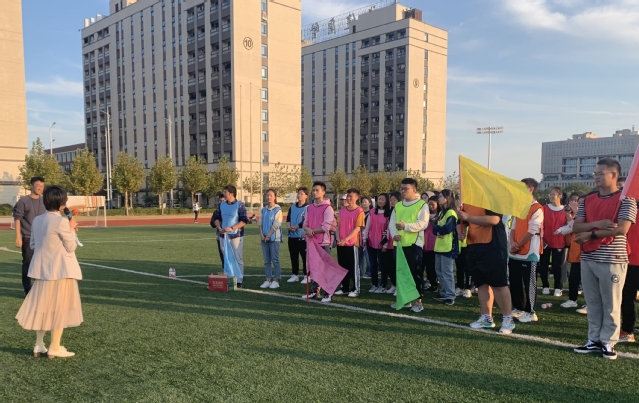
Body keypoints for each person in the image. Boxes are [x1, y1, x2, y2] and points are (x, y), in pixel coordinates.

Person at [572, 159, 636, 360]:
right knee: (592, 302)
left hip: (612, 257)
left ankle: (608, 340)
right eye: (595, 173)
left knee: (611, 302)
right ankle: (593, 339)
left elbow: (621, 229)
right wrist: (599, 224)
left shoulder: (627, 200)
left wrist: (590, 234)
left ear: (614, 175)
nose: (596, 177)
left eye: (600, 173)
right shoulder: (588, 199)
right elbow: (576, 226)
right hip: (588, 256)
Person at [15, 185, 83, 359]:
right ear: (61, 203)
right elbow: (71, 246)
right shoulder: (61, 222)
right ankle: (54, 347)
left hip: (42, 271)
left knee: (43, 309)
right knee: (60, 309)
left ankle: (39, 344)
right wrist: (71, 228)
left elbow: (33, 244)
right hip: (61, 271)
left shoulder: (37, 220)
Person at [459, 203, 515, 334]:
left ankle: (508, 319)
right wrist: (461, 231)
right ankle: (486, 317)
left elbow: (494, 219)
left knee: (499, 284)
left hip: (493, 245)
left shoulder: (490, 198)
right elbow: (462, 221)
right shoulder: (466, 200)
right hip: (474, 245)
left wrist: (468, 217)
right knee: (481, 284)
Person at [388, 178, 429, 312]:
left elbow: (423, 224)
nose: (403, 191)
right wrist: (394, 234)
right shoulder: (398, 205)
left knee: (414, 273)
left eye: (406, 188)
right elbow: (392, 223)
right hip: (399, 244)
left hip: (414, 245)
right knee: (401, 273)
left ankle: (418, 302)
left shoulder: (422, 204)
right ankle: (405, 300)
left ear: (414, 190)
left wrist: (405, 226)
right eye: (401, 188)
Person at [508, 178, 544, 323]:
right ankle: (518, 307)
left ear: (530, 189)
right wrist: (512, 243)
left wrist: (517, 244)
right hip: (515, 251)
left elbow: (532, 231)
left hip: (530, 252)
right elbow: (513, 228)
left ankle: (531, 312)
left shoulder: (537, 208)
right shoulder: (520, 207)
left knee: (530, 283)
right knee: (515, 281)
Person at [302, 182, 336, 303]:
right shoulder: (309, 208)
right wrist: (307, 230)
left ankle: (328, 293)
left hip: (323, 243)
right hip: (311, 242)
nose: (314, 192)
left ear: (323, 192)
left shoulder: (328, 208)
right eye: (313, 190)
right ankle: (314, 290)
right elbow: (305, 224)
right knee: (313, 267)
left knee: (324, 268)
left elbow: (326, 227)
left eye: (317, 190)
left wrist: (311, 231)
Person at [13, 176, 45, 296]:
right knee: (28, 264)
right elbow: (17, 219)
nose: (40, 188)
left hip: (43, 239)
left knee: (42, 265)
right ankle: (28, 290)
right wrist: (18, 237)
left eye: (42, 186)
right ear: (31, 186)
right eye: (37, 186)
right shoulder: (23, 201)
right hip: (27, 237)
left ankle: (40, 290)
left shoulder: (45, 201)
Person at [213, 185, 249, 288]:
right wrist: (219, 227)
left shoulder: (240, 205)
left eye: (225, 192)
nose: (224, 193)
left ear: (231, 194)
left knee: (237, 257)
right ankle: (229, 277)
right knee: (226, 257)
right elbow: (216, 218)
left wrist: (232, 228)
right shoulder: (221, 204)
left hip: (236, 235)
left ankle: (239, 280)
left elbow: (244, 220)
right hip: (223, 235)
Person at [556, 192, 586, 310]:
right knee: (573, 277)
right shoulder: (576, 214)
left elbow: (582, 226)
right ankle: (572, 299)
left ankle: (590, 304)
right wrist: (568, 214)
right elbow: (573, 226)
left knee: (588, 281)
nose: (577, 204)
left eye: (581, 202)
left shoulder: (589, 215)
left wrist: (575, 211)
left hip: (587, 252)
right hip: (576, 251)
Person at [335, 188, 365, 298]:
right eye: (347, 196)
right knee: (342, 267)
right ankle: (345, 288)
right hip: (341, 243)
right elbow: (338, 225)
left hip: (352, 244)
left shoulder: (359, 211)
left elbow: (357, 228)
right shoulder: (342, 210)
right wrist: (338, 238)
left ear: (357, 198)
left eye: (351, 196)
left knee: (353, 267)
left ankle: (356, 289)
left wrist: (346, 239)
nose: (348, 198)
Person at [432, 190, 459, 306]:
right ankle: (444, 291)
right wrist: (438, 230)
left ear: (447, 198)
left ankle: (450, 295)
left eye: (441, 196)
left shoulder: (451, 212)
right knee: (439, 270)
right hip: (439, 246)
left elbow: (448, 228)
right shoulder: (442, 212)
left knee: (447, 272)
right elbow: (434, 227)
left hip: (448, 246)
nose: (439, 199)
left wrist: (439, 230)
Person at [540, 187, 568, 296]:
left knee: (557, 265)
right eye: (550, 194)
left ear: (560, 196)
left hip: (559, 241)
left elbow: (569, 225)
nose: (551, 196)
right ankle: (545, 286)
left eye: (553, 194)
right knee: (543, 264)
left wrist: (561, 230)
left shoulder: (565, 209)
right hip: (545, 241)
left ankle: (558, 287)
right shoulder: (544, 208)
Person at [363, 193, 392, 293]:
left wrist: (385, 244)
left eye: (383, 199)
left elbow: (388, 230)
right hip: (371, 243)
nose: (380, 201)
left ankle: (383, 285)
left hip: (382, 244)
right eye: (379, 199)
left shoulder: (389, 214)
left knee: (383, 266)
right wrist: (364, 239)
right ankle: (374, 284)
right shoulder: (372, 212)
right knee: (372, 265)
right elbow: (367, 227)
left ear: (387, 201)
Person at [620, 199, 639, 343]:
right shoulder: (629, 211)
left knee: (627, 297)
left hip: (630, 260)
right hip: (629, 260)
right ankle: (627, 330)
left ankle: (627, 330)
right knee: (627, 297)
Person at [259, 189, 283, 289]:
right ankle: (268, 280)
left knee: (275, 260)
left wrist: (269, 235)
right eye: (267, 195)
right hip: (264, 238)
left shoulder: (278, 210)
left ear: (275, 197)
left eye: (271, 195)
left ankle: (276, 280)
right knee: (267, 261)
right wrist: (261, 234)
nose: (269, 197)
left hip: (274, 238)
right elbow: (260, 222)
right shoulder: (264, 210)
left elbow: (277, 224)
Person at [286, 187, 309, 283]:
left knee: (305, 257)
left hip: (302, 237)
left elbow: (306, 221)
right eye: (298, 193)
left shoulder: (308, 208)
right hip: (292, 236)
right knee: (293, 256)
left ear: (306, 196)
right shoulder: (292, 207)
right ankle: (294, 274)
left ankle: (307, 275)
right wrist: (289, 226)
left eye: (301, 194)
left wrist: (296, 226)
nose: (299, 195)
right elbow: (288, 219)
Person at [384, 192, 401, 295]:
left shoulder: (400, 211)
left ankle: (399, 286)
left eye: (394, 199)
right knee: (388, 265)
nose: (392, 201)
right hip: (389, 242)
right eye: (391, 200)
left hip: (397, 242)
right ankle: (394, 284)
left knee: (397, 266)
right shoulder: (389, 211)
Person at [423, 196, 439, 293]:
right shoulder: (425, 214)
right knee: (425, 266)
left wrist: (432, 220)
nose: (431, 206)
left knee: (432, 266)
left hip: (434, 244)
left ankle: (434, 284)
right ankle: (427, 282)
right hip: (424, 243)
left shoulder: (440, 215)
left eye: (433, 204)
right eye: (429, 204)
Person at [210, 192, 226, 271]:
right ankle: (225, 270)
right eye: (220, 201)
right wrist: (217, 223)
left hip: (231, 236)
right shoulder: (217, 211)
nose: (221, 202)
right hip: (220, 235)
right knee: (222, 254)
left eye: (223, 201)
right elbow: (212, 224)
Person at [359, 196, 372, 278]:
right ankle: (361, 272)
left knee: (368, 255)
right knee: (360, 255)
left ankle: (369, 271)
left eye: (365, 202)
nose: (363, 203)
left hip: (368, 236)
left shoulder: (371, 213)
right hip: (359, 235)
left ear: (369, 203)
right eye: (362, 202)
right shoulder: (360, 212)